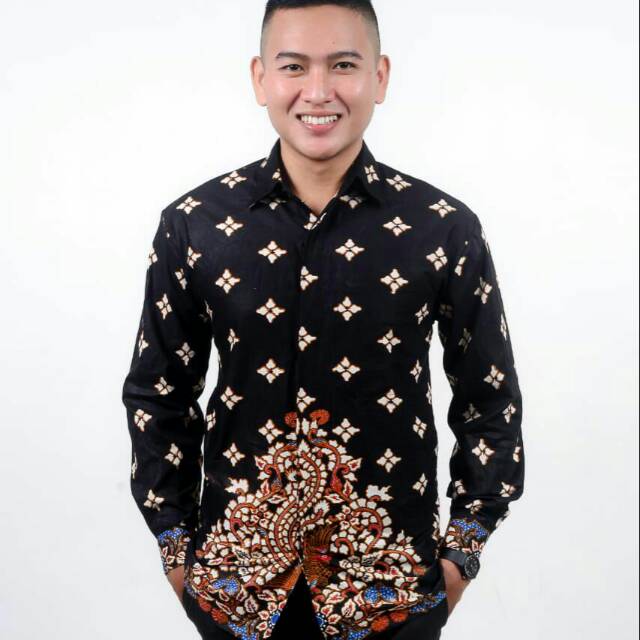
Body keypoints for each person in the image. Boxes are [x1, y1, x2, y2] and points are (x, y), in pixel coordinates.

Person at [121, 1, 525, 638]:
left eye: (343, 65)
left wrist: (462, 553)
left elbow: (490, 401)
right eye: (293, 67)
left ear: (379, 76)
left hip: (393, 593)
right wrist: (176, 549)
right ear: (260, 79)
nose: (317, 91)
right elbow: (158, 393)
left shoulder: (443, 228)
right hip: (236, 591)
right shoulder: (194, 225)